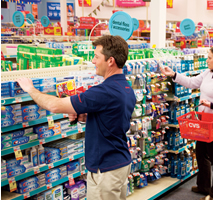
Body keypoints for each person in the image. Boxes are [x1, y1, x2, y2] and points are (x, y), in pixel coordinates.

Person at [16, 35, 136, 200]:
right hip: (119, 162)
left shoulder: (103, 92)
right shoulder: (125, 87)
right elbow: (112, 118)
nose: (93, 61)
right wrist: (86, 116)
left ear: (110, 61)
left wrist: (30, 89)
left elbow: (54, 105)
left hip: (105, 169)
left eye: (96, 57)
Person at [160, 46, 213, 200]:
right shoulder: (208, 73)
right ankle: (203, 186)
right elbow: (191, 82)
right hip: (203, 122)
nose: (206, 60)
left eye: (209, 58)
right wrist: (173, 74)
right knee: (201, 154)